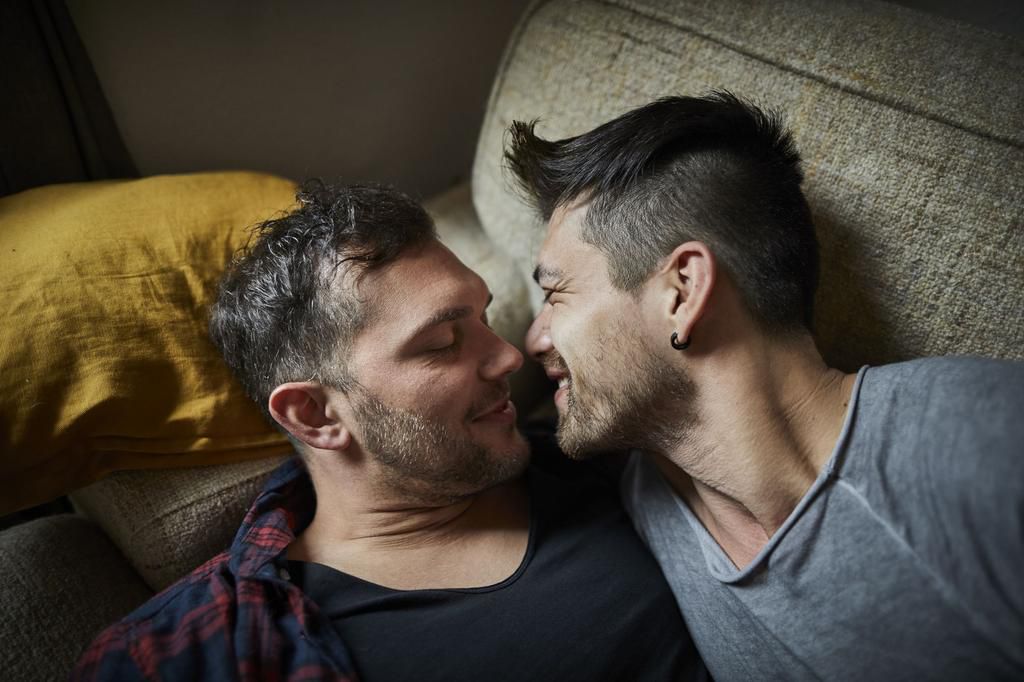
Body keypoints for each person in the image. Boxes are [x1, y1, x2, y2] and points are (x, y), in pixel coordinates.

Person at [71, 180, 703, 681]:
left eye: (483, 317)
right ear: (316, 416)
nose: (509, 357)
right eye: (442, 342)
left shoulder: (601, 458)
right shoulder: (177, 655)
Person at [507, 92, 1024, 681]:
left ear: (681, 292)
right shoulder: (640, 498)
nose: (533, 340)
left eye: (555, 295)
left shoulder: (986, 445)